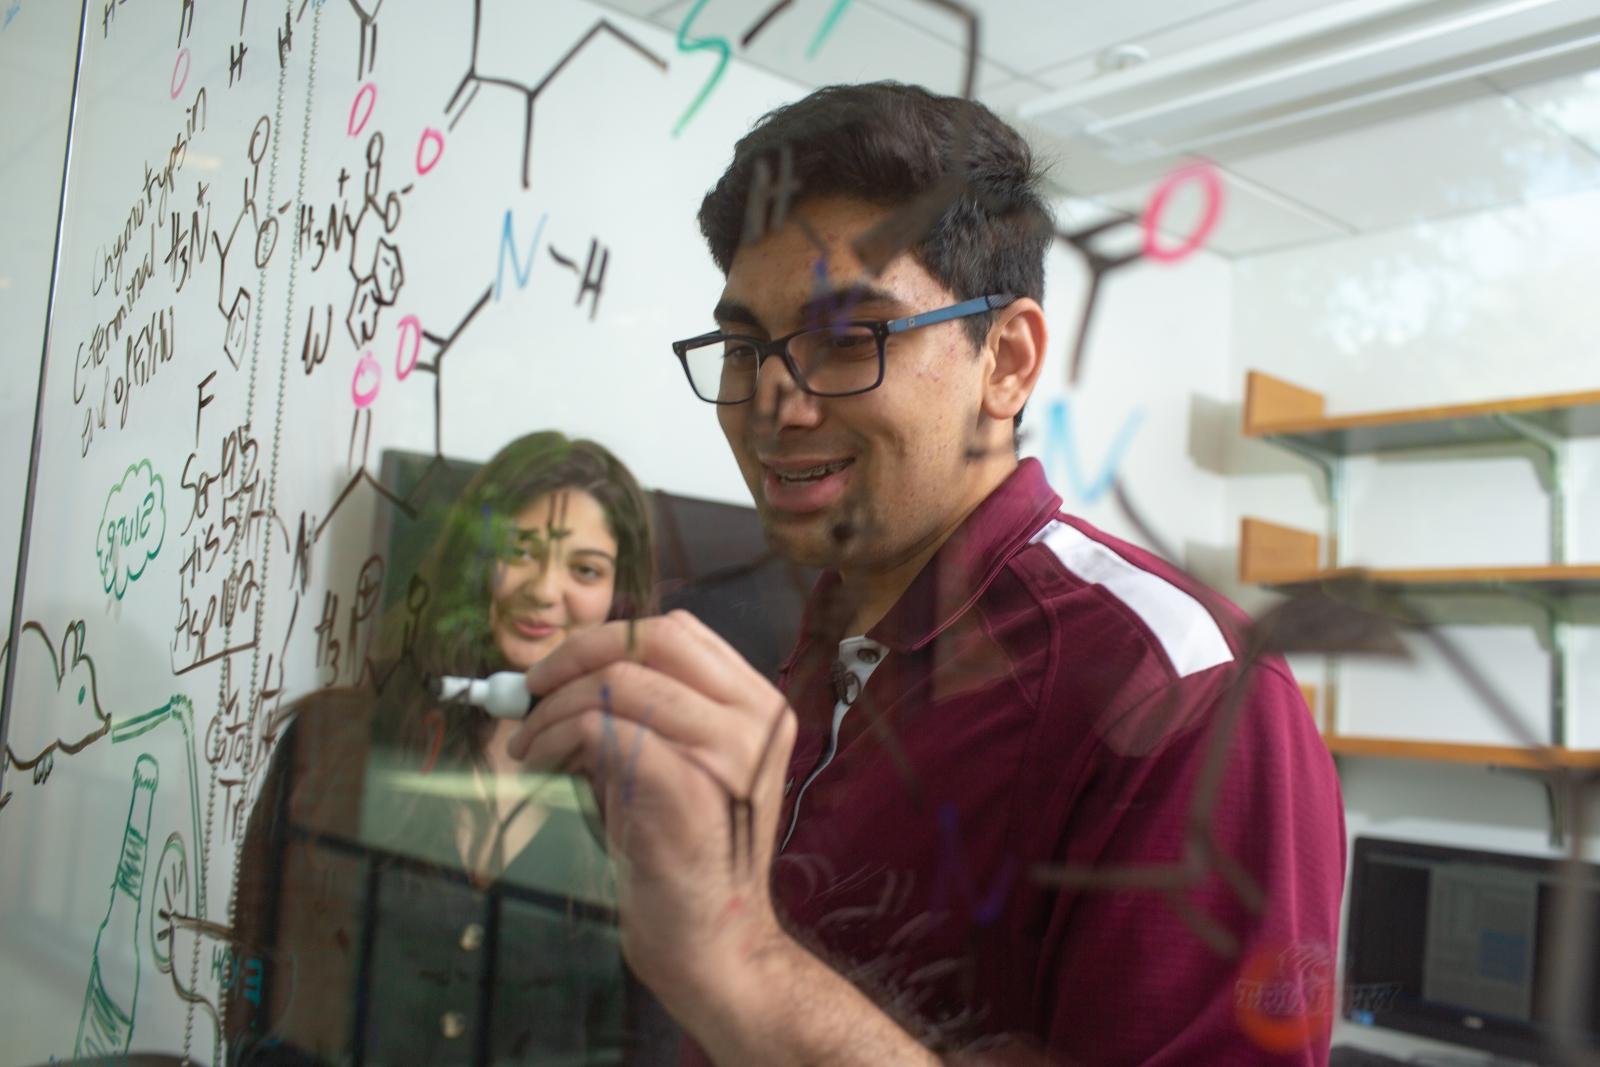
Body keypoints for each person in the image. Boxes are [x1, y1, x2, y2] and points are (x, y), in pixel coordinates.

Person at [504, 82, 1346, 1065]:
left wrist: (733, 954)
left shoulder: (1186, 697)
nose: (773, 408)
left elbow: (746, 979)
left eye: (847, 338)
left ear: (1006, 359)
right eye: (744, 346)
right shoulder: (812, 647)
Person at [226, 431, 674, 1064]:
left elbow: (647, 1043)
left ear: (619, 597)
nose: (544, 591)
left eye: (584, 570)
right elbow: (257, 973)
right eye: (521, 550)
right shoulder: (336, 742)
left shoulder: (642, 795)